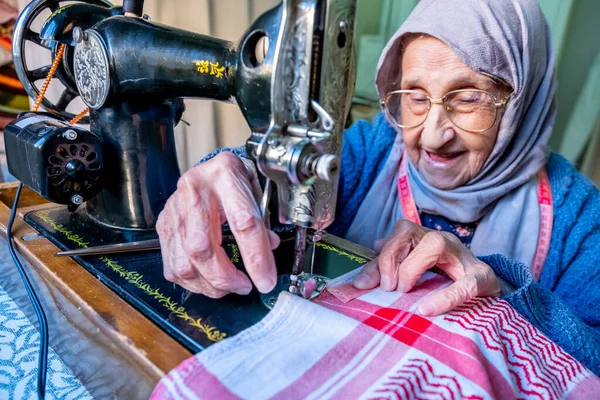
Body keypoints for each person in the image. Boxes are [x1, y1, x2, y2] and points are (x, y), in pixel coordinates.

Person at [157, 0, 600, 374]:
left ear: (525, 99)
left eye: (468, 98)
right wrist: (225, 172)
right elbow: (272, 176)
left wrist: (505, 293)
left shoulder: (578, 217)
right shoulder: (373, 151)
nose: (430, 136)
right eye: (415, 96)